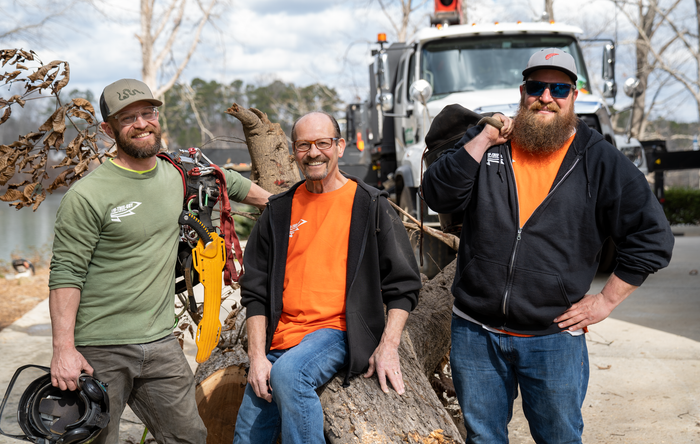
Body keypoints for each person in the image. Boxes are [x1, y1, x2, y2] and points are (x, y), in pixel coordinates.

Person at [422, 48, 674, 443]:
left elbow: (653, 236)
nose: (547, 97)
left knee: (558, 438)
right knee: (483, 437)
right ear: (523, 92)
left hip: (553, 338)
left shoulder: (598, 160)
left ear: (574, 95)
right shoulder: (492, 143)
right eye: (538, 86)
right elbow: (438, 195)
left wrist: (605, 301)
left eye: (559, 88)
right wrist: (484, 136)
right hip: (476, 333)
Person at [48, 78, 271, 444]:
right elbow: (66, 274)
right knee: (93, 440)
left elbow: (227, 180)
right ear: (108, 129)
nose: (141, 123)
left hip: (160, 345)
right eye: (127, 118)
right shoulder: (88, 195)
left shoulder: (178, 175)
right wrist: (63, 349)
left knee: (191, 438)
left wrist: (286, 206)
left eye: (148, 113)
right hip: (100, 349)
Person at [233, 111, 422, 443]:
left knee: (290, 375)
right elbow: (255, 292)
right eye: (304, 145)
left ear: (340, 146)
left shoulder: (370, 204)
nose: (314, 152)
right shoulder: (278, 211)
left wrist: (388, 346)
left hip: (336, 332)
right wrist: (257, 357)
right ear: (294, 151)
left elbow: (404, 284)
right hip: (281, 338)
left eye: (322, 143)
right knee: (246, 436)